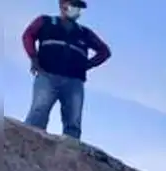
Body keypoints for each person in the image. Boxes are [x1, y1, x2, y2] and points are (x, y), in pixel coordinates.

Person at [21, 1, 111, 140]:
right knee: (38, 112)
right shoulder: (45, 21)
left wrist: (88, 64)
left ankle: (70, 155)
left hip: (74, 82)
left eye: (79, 7)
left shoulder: (84, 33)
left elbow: (104, 51)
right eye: (74, 5)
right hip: (47, 76)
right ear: (63, 5)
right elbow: (28, 35)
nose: (77, 10)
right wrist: (33, 57)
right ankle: (28, 147)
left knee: (73, 122)